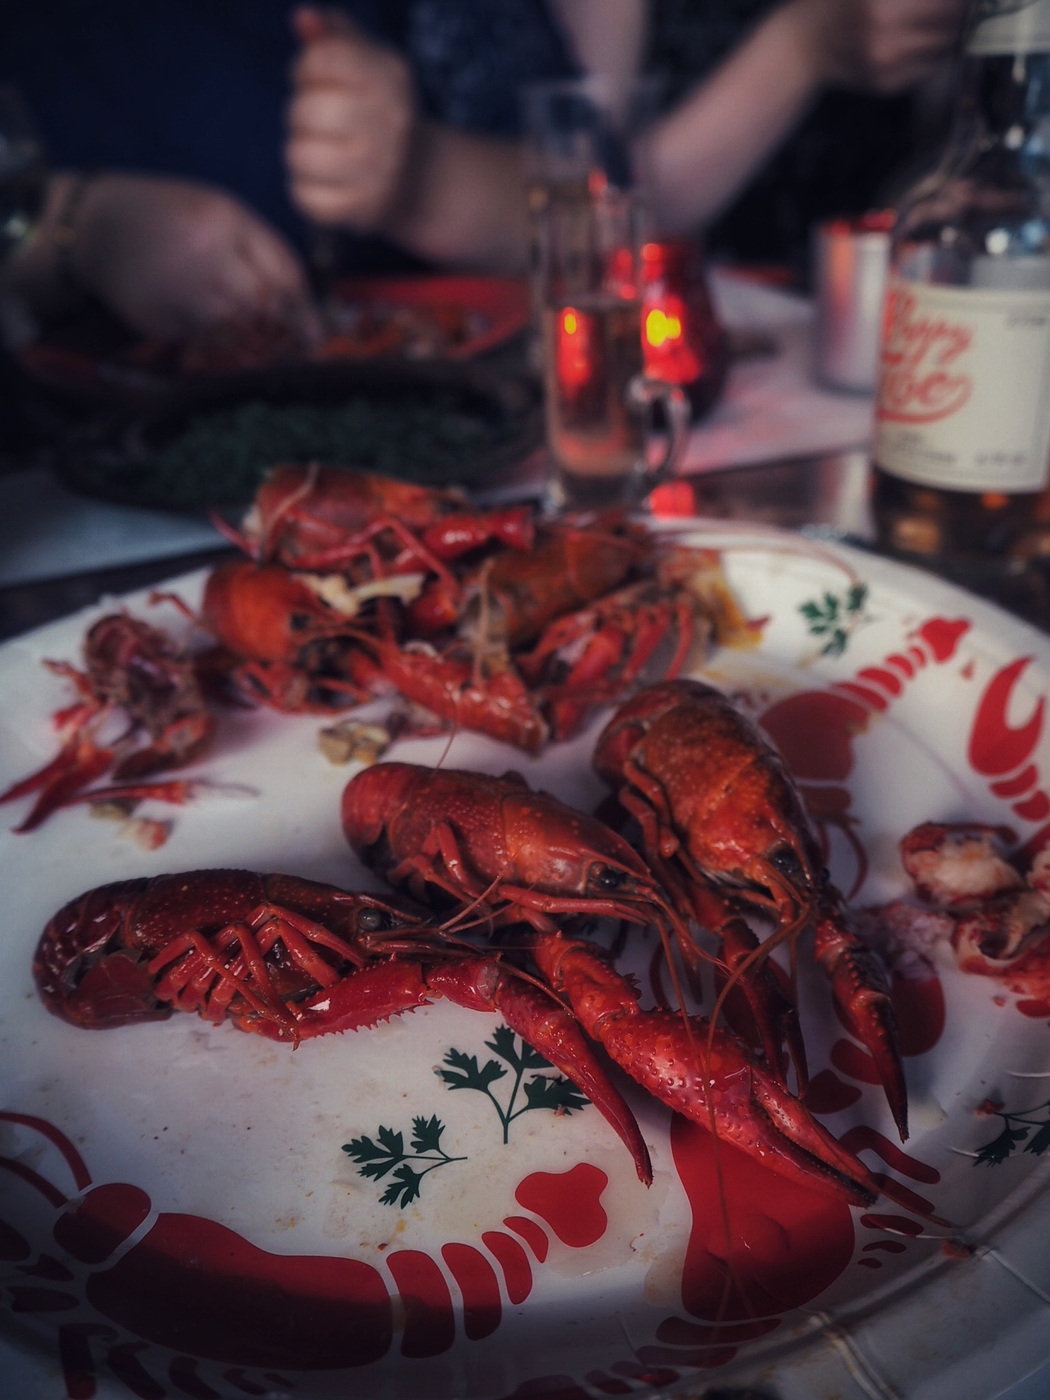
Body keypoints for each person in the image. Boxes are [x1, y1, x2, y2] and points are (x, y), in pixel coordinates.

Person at [286, 0, 971, 273]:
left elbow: (951, 144)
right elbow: (598, 191)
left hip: (869, 306)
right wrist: (801, 50)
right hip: (672, 322)